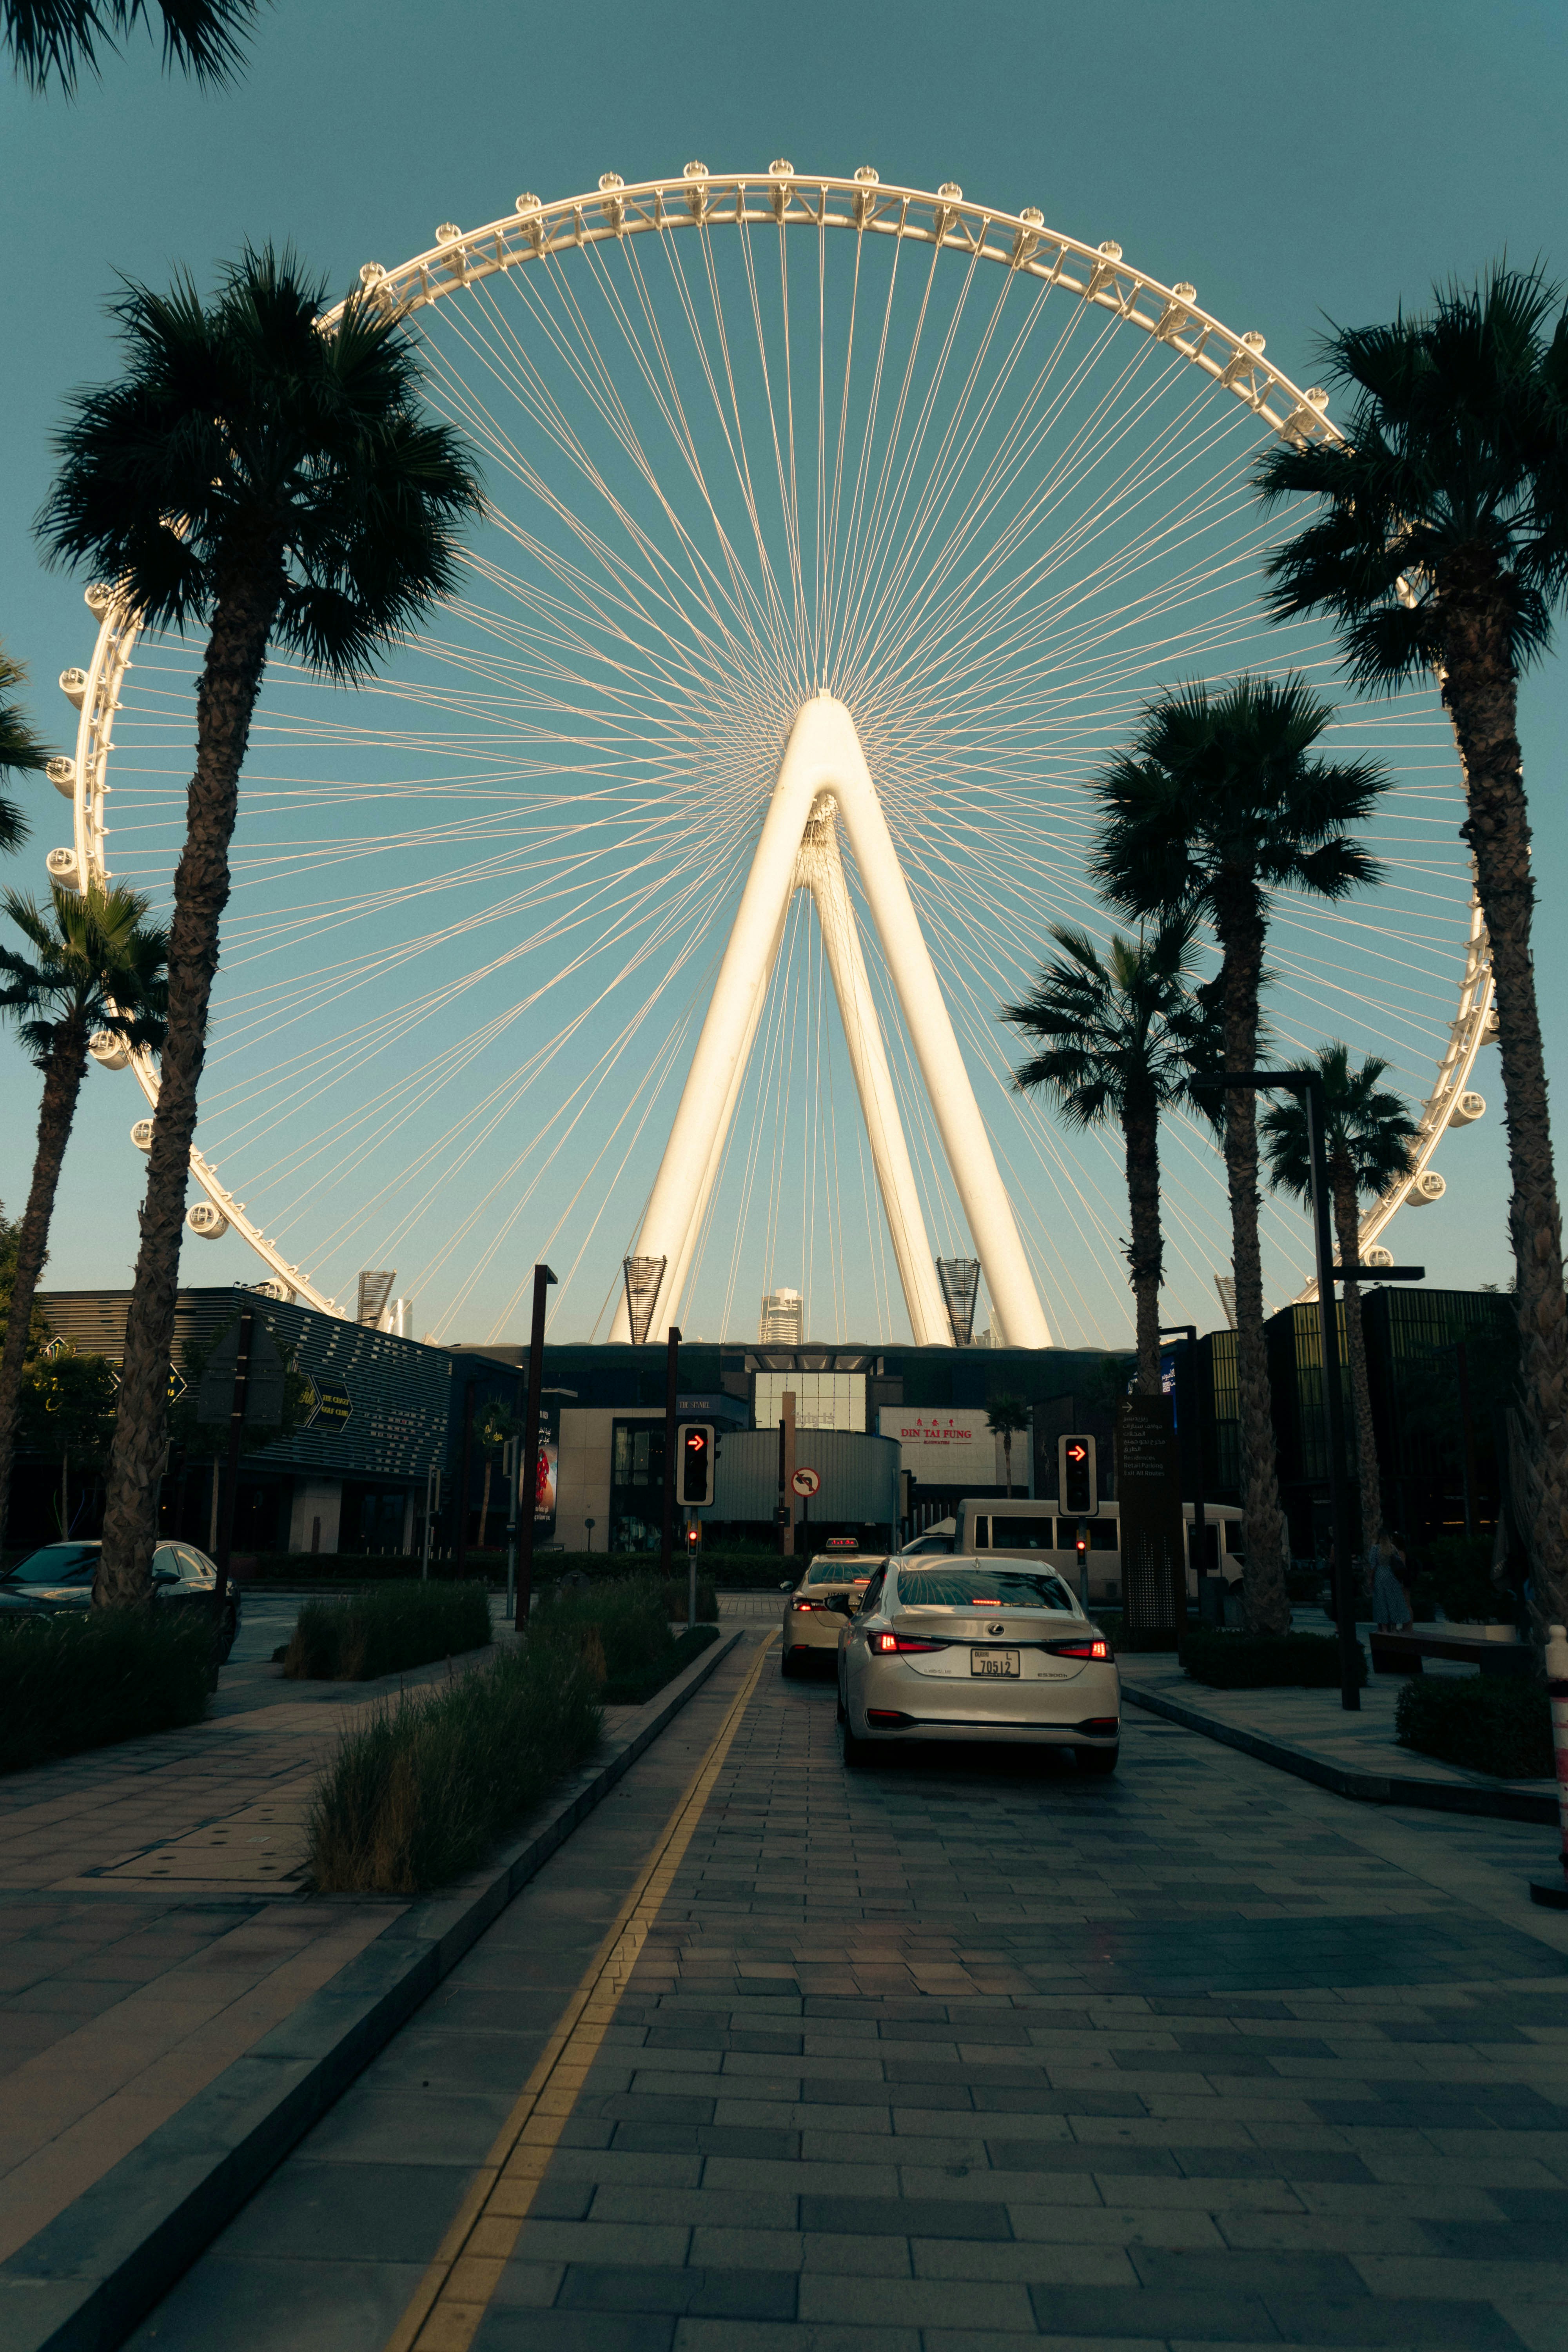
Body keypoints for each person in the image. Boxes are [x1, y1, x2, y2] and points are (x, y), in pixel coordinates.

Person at [1371, 1532, 1412, 1632]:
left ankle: (1384, 1628)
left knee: (1382, 1603)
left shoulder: (1375, 1549)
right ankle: (1394, 1627)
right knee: (1393, 1602)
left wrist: (1370, 1580)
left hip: (1380, 1576)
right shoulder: (1392, 1548)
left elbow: (1373, 1565)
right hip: (1392, 1577)